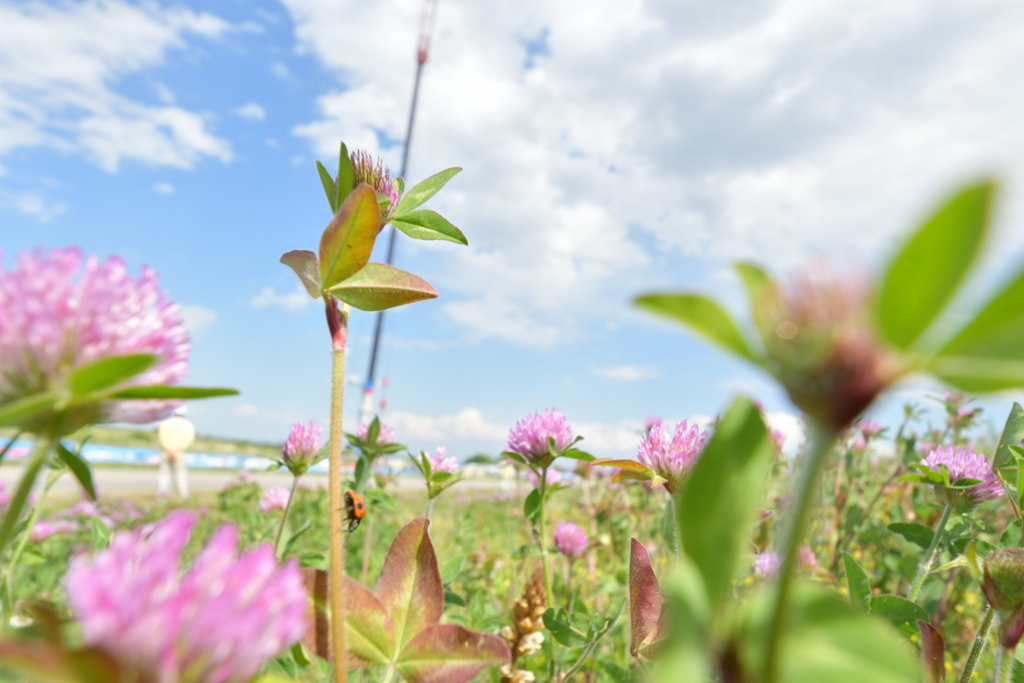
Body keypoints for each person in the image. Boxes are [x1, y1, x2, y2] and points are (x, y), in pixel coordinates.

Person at [157, 407, 195, 499]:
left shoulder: (166, 423)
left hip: (166, 453)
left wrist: (169, 449)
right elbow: (189, 440)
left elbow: (161, 436)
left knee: (164, 476)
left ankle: (162, 497)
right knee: (181, 475)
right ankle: (183, 496)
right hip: (180, 454)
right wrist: (177, 450)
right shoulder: (188, 425)